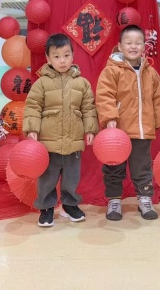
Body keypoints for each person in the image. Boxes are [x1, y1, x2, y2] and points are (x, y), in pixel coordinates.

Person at [96, 25, 160, 221]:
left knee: (142, 167)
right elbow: (104, 96)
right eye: (128, 43)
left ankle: (145, 199)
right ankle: (114, 201)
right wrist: (110, 118)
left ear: (144, 47)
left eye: (138, 43)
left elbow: (159, 100)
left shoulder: (150, 73)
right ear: (120, 46)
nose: (133, 46)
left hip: (142, 131)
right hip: (118, 132)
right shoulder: (111, 71)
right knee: (114, 168)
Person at [23, 33, 98, 227]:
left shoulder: (82, 83)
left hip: (73, 141)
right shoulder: (41, 83)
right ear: (48, 59)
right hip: (49, 142)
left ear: (72, 56)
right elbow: (32, 107)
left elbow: (88, 108)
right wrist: (32, 129)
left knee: (72, 177)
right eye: (56, 56)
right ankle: (46, 207)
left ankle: (69, 205)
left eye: (66, 55)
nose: (62, 60)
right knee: (47, 177)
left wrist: (90, 130)